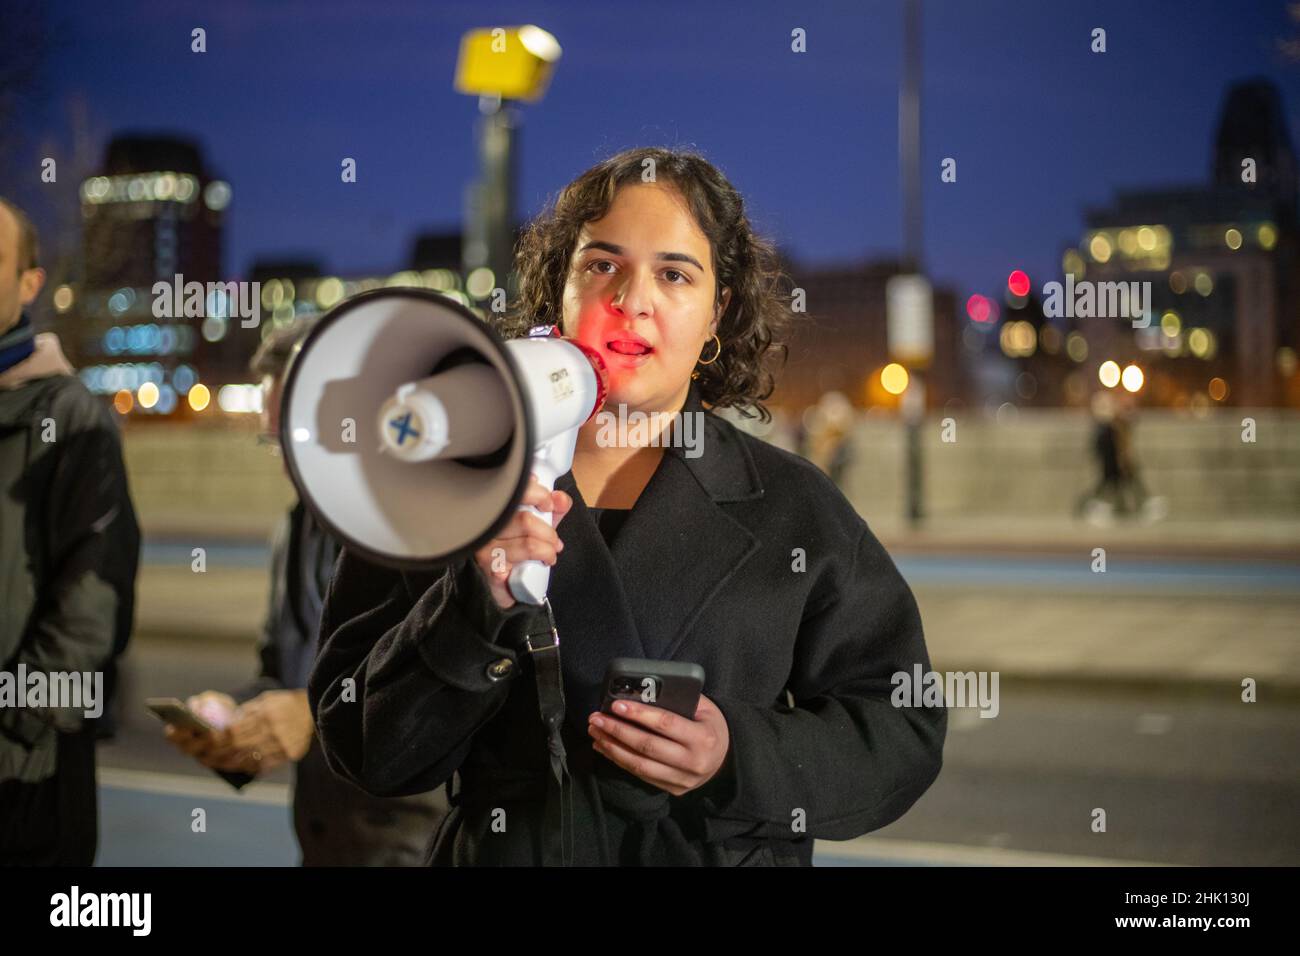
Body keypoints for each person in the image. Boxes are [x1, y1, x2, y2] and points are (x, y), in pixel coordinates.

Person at [308, 147, 946, 866]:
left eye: (674, 274)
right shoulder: (444, 486)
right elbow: (359, 741)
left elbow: (901, 725)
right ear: (561, 288)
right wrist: (470, 608)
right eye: (601, 265)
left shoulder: (794, 508)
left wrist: (735, 754)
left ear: (717, 313)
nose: (631, 299)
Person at [162, 320, 447, 865]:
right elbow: (284, 670)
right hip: (326, 841)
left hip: (419, 844)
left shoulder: (428, 532)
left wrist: (311, 720)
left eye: (301, 439)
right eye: (276, 443)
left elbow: (444, 691)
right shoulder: (294, 530)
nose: (292, 467)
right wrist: (232, 722)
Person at [0, 196, 140, 865]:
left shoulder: (72, 419)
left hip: (27, 784)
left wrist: (15, 728)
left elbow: (90, 616)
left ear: (29, 284)